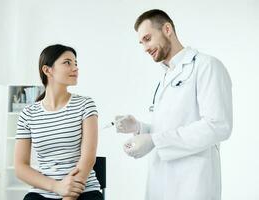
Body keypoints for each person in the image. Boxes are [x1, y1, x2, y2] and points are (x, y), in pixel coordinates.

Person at [115, 9, 233, 200]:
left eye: (148, 38)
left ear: (167, 29)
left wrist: (155, 141)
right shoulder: (167, 76)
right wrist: (139, 127)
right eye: (141, 43)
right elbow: (169, 125)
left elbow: (218, 125)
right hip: (161, 181)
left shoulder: (207, 66)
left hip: (193, 183)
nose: (145, 48)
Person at [14, 44, 103, 200]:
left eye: (76, 63)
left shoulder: (85, 105)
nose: (75, 68)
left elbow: (88, 158)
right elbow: (21, 167)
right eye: (67, 62)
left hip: (84, 191)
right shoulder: (27, 114)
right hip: (43, 192)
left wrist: (68, 196)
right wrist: (57, 187)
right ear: (47, 70)